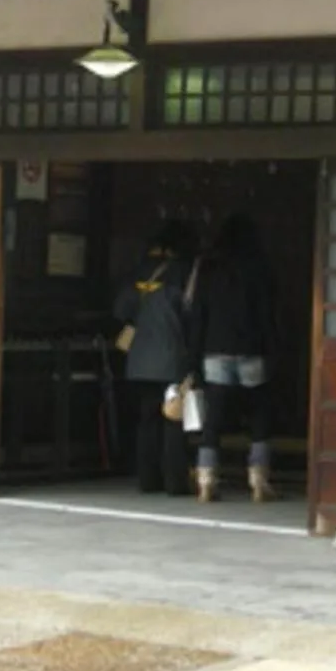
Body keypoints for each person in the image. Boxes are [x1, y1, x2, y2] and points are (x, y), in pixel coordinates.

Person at [189, 211, 277, 503]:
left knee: (213, 418)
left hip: (215, 348)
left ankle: (206, 478)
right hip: (251, 348)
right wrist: (271, 349)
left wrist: (193, 357)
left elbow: (198, 314)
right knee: (258, 414)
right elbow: (267, 315)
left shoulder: (209, 268)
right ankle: (258, 478)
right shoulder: (259, 268)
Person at [112, 220, 195, 496]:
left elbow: (121, 310)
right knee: (172, 420)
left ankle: (147, 480)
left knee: (147, 420)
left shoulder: (138, 272)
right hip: (172, 358)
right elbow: (191, 315)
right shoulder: (185, 273)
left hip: (139, 360)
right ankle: (174, 482)